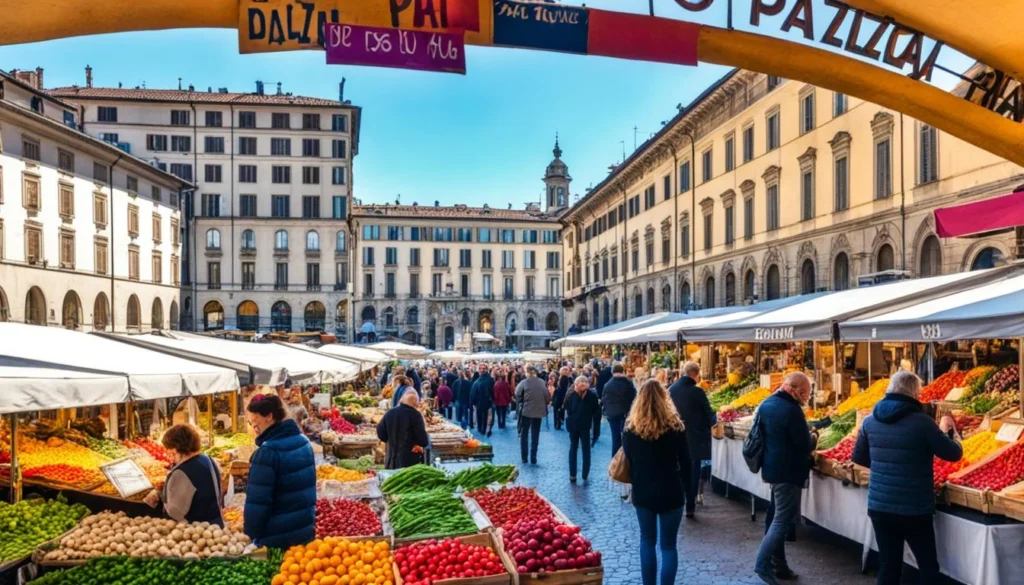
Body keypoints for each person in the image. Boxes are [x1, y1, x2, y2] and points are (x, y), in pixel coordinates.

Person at [852, 371, 963, 585]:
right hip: (914, 507)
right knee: (928, 567)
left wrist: (887, 467)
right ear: (914, 393)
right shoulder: (923, 422)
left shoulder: (869, 421)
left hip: (880, 506)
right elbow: (952, 454)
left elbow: (859, 458)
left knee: (889, 565)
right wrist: (952, 433)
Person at [623, 379, 691, 585]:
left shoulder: (631, 429)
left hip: (643, 491)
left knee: (647, 541)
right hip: (671, 490)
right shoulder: (676, 427)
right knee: (669, 546)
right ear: (665, 399)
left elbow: (629, 460)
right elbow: (686, 462)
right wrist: (688, 491)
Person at [753, 373, 816, 585]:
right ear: (792, 388)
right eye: (804, 393)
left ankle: (779, 564)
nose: (806, 397)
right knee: (782, 518)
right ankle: (762, 564)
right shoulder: (791, 411)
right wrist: (813, 437)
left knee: (775, 514)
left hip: (772, 468)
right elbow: (804, 444)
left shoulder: (767, 404)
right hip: (787, 471)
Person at [244, 394, 316, 549]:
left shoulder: (267, 453)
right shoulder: (304, 442)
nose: (253, 427)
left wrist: (250, 534)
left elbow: (258, 503)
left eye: (255, 421)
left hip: (275, 539)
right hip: (304, 532)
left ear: (269, 416)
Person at [143, 424, 224, 526]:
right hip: (215, 525)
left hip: (195, 531)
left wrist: (161, 498)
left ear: (176, 448)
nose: (171, 456)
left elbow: (175, 512)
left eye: (171, 451)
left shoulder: (181, 472)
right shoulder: (208, 460)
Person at [669, 362, 716, 519]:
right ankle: (690, 505)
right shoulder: (697, 392)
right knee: (693, 472)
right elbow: (708, 412)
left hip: (675, 436)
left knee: (677, 471)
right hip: (694, 438)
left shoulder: (671, 390)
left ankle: (676, 503)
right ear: (695, 374)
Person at [377, 388, 431, 469]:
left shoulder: (390, 412)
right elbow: (423, 440)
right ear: (414, 403)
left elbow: (380, 433)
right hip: (409, 462)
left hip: (391, 459)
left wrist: (390, 440)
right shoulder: (416, 415)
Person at [564, 375, 601, 483]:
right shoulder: (592, 396)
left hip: (573, 425)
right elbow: (596, 412)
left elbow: (566, 408)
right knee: (586, 449)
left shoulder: (571, 395)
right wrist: (596, 431)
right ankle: (585, 474)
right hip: (585, 425)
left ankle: (572, 474)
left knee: (573, 448)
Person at [515, 366, 551, 464]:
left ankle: (524, 457)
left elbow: (517, 394)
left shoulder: (524, 382)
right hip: (539, 411)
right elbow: (547, 397)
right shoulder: (541, 382)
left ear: (527, 373)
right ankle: (533, 457)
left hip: (526, 411)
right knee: (535, 434)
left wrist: (522, 401)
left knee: (524, 434)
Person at [602, 363, 637, 458]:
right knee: (626, 436)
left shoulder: (608, 384)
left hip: (612, 414)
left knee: (615, 437)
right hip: (625, 413)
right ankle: (626, 457)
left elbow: (604, 399)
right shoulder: (628, 383)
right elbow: (633, 397)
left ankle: (615, 458)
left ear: (613, 372)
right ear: (623, 371)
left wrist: (606, 411)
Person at [471, 364, 495, 437]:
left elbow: (492, 391)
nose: (482, 370)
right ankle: (481, 430)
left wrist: (491, 400)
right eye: (480, 368)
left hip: (486, 403)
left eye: (483, 368)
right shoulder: (479, 380)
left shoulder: (489, 379)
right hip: (479, 403)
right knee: (480, 417)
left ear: (486, 369)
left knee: (485, 418)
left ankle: (483, 430)